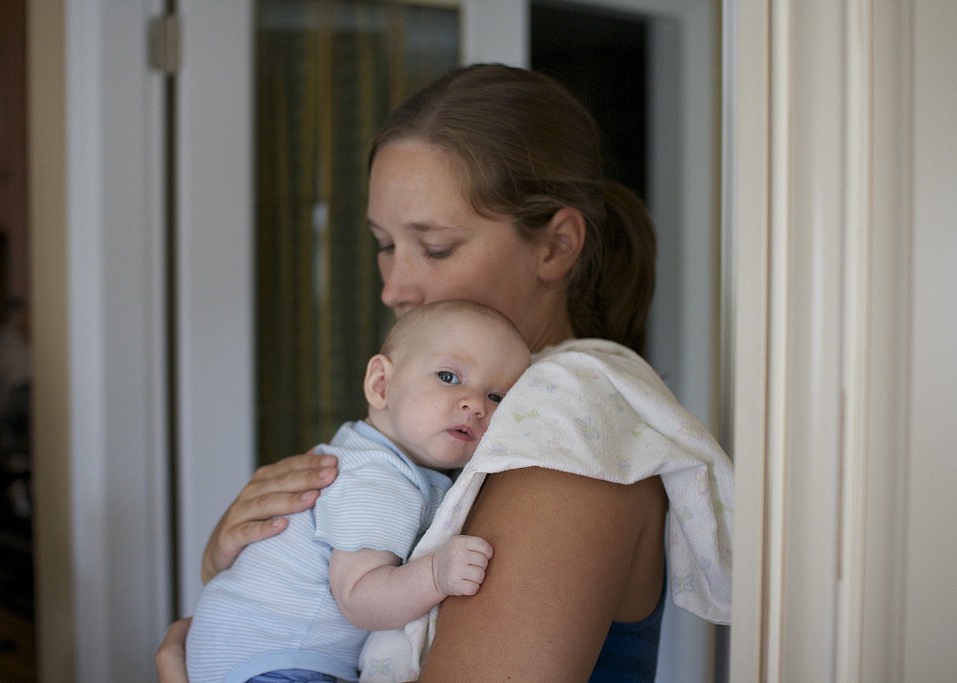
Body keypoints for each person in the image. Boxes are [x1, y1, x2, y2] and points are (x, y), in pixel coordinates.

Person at [159, 63, 733, 682]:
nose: (394, 288)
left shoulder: (571, 431)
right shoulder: (458, 431)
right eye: (385, 245)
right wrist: (237, 559)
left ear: (556, 246)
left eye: (435, 248)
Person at [186, 300, 531, 683]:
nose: (476, 405)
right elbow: (359, 598)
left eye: (497, 397)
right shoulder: (379, 478)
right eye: (449, 376)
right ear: (381, 384)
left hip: (252, 650)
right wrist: (435, 575)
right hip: (272, 657)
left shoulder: (373, 454)